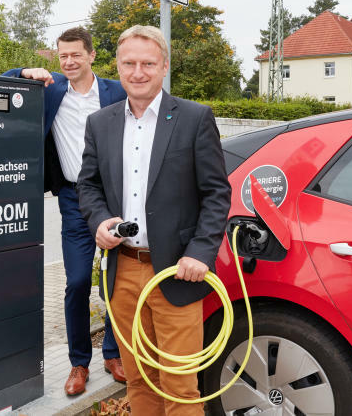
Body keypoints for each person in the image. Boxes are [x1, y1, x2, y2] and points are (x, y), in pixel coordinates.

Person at [77, 25, 231, 415]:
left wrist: (200, 252)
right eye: (129, 63)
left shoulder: (195, 118)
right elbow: (88, 186)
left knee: (179, 386)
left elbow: (216, 193)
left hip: (178, 273)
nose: (138, 72)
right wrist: (99, 222)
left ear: (164, 67)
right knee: (139, 380)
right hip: (124, 271)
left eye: (148, 63)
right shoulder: (100, 122)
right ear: (118, 66)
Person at [3, 26, 127, 396]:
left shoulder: (115, 92)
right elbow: (1, 84)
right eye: (63, 56)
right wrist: (25, 73)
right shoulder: (51, 90)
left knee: (115, 283)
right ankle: (78, 363)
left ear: (91, 55)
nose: (69, 62)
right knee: (75, 283)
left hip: (117, 199)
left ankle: (114, 354)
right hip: (73, 199)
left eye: (76, 54)